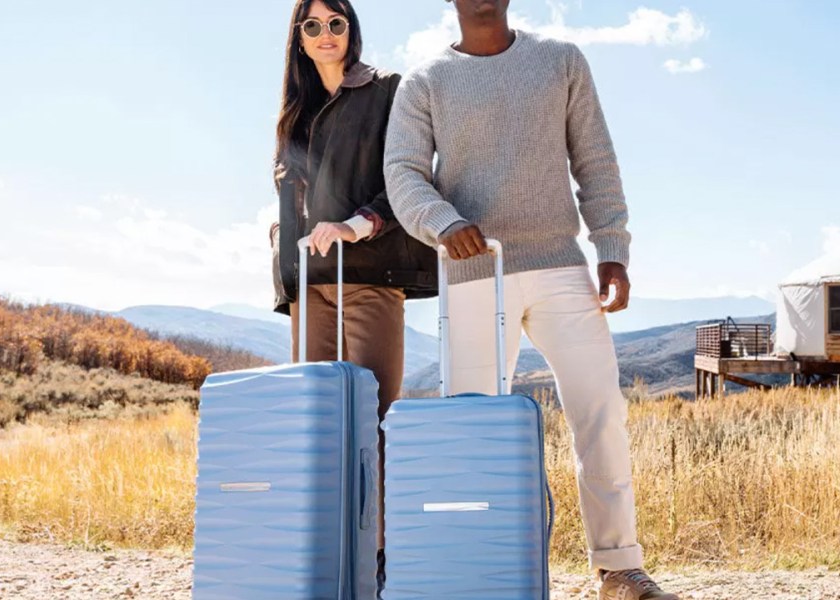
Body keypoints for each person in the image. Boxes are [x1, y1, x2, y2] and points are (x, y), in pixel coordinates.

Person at [384, 1, 677, 598]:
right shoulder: (425, 81)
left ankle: (619, 568)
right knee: (472, 429)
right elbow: (403, 172)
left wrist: (613, 246)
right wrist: (442, 221)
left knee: (601, 414)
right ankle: (474, 569)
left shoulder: (560, 61)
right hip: (471, 273)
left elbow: (595, 158)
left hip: (561, 266)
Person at [270, 0, 437, 582]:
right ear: (299, 36)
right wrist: (286, 276)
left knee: (376, 420)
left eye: (335, 23)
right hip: (309, 285)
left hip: (371, 276)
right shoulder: (295, 108)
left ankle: (383, 561)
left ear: (351, 29)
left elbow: (407, 177)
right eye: (311, 25)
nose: (325, 34)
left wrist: (356, 224)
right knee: (314, 422)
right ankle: (326, 558)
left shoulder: (387, 90)